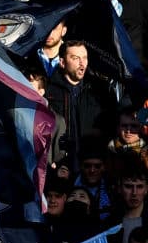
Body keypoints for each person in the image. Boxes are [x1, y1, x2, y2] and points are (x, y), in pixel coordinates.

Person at [45, 40, 115, 168]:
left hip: (93, 165)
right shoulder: (48, 91)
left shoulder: (100, 90)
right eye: (75, 58)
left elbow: (111, 125)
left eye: (84, 57)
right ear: (62, 62)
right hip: (60, 165)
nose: (82, 63)